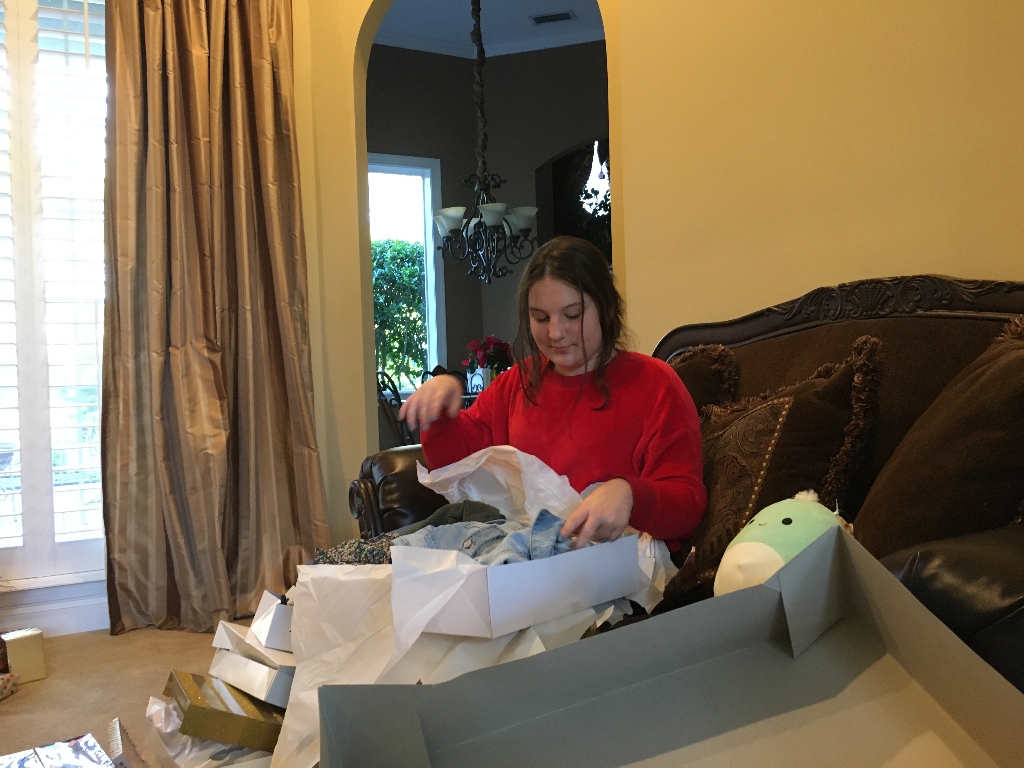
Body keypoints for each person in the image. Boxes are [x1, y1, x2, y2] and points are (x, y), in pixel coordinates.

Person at [399, 236, 706, 555]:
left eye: (572, 315)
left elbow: (688, 507)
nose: (555, 333)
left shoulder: (656, 384)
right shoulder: (518, 382)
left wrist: (629, 495)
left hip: (612, 564)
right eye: (541, 318)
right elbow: (453, 468)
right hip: (515, 553)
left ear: (606, 308)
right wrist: (439, 410)